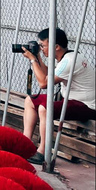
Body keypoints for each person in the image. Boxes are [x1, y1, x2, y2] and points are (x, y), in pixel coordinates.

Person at [22, 28, 96, 164]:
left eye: (43, 45)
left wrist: (33, 60)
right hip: (73, 100)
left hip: (86, 105)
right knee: (30, 100)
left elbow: (44, 83)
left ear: (56, 46)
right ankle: (25, 143)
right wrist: (37, 57)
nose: (41, 48)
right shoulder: (64, 57)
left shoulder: (69, 61)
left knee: (45, 108)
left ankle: (43, 152)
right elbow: (48, 75)